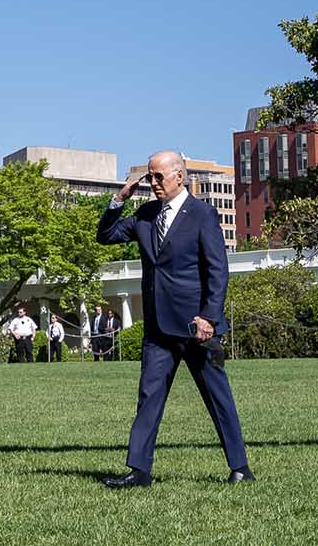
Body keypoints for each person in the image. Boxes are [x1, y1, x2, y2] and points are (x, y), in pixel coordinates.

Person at [96, 150, 254, 488]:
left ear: (179, 176)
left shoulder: (203, 214)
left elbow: (217, 270)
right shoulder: (144, 215)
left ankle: (240, 467)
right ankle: (139, 471)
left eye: (159, 177)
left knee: (217, 397)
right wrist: (118, 199)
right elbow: (106, 236)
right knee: (149, 397)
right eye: (150, 177)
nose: (153, 183)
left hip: (197, 327)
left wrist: (209, 316)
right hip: (157, 329)